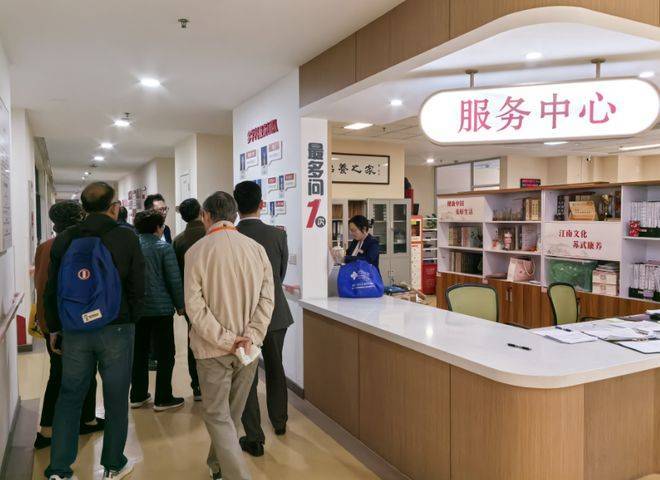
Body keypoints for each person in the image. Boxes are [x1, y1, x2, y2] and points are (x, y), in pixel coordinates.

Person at [44, 182, 145, 480]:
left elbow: (52, 288)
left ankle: (59, 470)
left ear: (83, 208)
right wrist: (131, 318)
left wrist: (55, 327)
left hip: (75, 329)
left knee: (70, 396)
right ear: (114, 207)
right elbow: (138, 284)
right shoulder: (126, 237)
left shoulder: (65, 239)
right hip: (117, 327)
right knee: (116, 398)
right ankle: (113, 465)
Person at [185, 191, 274, 480]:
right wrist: (251, 336)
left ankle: (235, 474)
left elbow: (194, 308)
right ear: (234, 216)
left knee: (218, 416)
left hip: (212, 350)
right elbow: (267, 299)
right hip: (248, 350)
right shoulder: (256, 249)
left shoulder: (196, 252)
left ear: (206, 216)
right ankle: (218, 466)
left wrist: (225, 339)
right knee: (230, 415)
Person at [33, 201, 104, 450]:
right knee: (74, 373)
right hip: (71, 322)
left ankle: (69, 423)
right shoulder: (76, 247)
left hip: (49, 320)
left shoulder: (43, 247)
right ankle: (58, 427)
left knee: (60, 372)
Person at [233, 181, 293, 457]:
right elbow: (279, 275)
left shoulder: (230, 237)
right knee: (276, 367)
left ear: (236, 206)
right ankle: (279, 422)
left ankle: (254, 437)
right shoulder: (278, 235)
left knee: (246, 374)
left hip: (242, 317)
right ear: (261, 204)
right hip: (275, 314)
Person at [130, 209, 185, 411]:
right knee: (165, 354)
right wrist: (180, 305)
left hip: (137, 310)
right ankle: (163, 397)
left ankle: (137, 395)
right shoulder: (164, 248)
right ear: (157, 228)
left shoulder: (131, 247)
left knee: (139, 353)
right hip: (161, 310)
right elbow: (174, 279)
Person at [172, 198, 206, 401]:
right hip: (214, 297)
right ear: (201, 211)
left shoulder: (178, 241)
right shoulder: (210, 235)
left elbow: (176, 275)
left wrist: (179, 303)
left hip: (190, 299)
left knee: (194, 339)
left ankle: (198, 386)